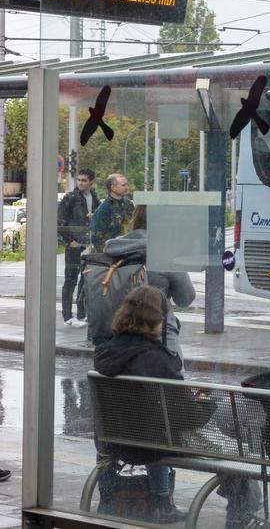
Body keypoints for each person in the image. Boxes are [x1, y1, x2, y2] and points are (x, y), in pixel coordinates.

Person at [94, 287, 214, 523]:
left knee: (150, 423)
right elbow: (186, 416)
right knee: (239, 455)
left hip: (113, 441)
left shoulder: (104, 354)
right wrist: (207, 405)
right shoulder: (158, 360)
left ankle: (106, 502)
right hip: (153, 446)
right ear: (155, 320)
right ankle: (240, 516)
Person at [100, 206, 195, 363]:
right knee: (171, 381)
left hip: (117, 332)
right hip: (159, 336)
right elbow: (185, 298)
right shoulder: (164, 253)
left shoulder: (113, 249)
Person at [58, 168, 100, 327]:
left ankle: (81, 314)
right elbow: (60, 221)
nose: (81, 183)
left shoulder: (94, 197)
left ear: (91, 182)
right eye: (79, 180)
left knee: (86, 279)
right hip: (74, 244)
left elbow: (97, 217)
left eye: (84, 180)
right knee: (70, 280)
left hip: (88, 244)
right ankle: (68, 316)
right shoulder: (71, 198)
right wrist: (69, 241)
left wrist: (94, 215)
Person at [89, 173, 134, 252]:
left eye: (127, 185)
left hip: (129, 249)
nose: (127, 188)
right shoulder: (104, 209)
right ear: (113, 188)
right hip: (112, 252)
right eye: (123, 185)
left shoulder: (128, 204)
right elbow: (96, 237)